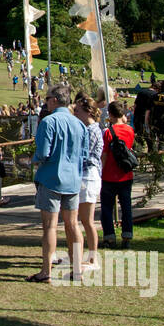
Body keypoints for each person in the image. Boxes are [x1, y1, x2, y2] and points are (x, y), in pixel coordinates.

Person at [28, 84, 87, 282]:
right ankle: (77, 268)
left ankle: (46, 271)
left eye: (46, 98)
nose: (45, 102)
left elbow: (43, 152)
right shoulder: (79, 124)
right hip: (73, 180)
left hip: (51, 178)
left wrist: (33, 159)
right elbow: (84, 154)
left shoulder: (49, 121)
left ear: (54, 100)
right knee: (73, 225)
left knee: (50, 226)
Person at [73, 92, 103, 272]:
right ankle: (87, 256)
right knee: (83, 220)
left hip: (88, 176)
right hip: (85, 175)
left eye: (78, 111)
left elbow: (83, 153)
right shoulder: (88, 129)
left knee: (87, 220)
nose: (75, 114)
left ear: (89, 112)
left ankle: (92, 258)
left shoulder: (92, 131)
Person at [100, 101, 136, 248]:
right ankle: (127, 235)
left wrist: (100, 171)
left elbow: (105, 155)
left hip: (109, 174)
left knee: (107, 207)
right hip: (125, 174)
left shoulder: (108, 132)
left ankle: (109, 236)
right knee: (126, 206)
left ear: (110, 114)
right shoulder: (130, 130)